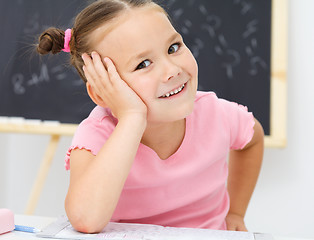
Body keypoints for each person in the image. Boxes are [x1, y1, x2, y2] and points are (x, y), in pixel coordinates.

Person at [36, 0, 264, 234]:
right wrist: (132, 117)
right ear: (101, 92)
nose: (172, 70)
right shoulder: (97, 135)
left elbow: (253, 138)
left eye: (173, 48)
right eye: (143, 64)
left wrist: (235, 213)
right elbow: (85, 219)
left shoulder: (216, 114)